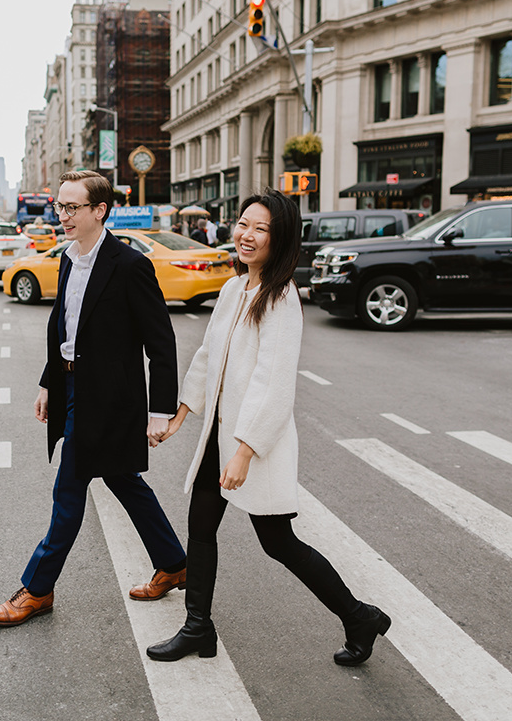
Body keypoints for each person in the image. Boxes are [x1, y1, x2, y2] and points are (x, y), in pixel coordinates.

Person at [147, 190, 391, 666]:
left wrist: (244, 450)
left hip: (253, 444)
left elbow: (274, 385)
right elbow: (207, 357)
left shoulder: (281, 299)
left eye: (261, 229)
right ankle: (198, 626)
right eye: (243, 224)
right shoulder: (234, 290)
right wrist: (180, 414)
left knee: (278, 543)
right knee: (200, 527)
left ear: (279, 241)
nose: (247, 235)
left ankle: (359, 615)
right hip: (220, 439)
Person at [0, 170, 188, 627]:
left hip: (112, 401)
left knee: (69, 490)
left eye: (72, 207)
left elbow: (161, 343)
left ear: (100, 210)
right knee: (123, 481)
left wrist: (160, 411)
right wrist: (47, 383)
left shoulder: (129, 265)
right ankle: (174, 564)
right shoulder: (68, 259)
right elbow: (65, 328)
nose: (63, 215)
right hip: (73, 388)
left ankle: (36, 590)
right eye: (60, 206)